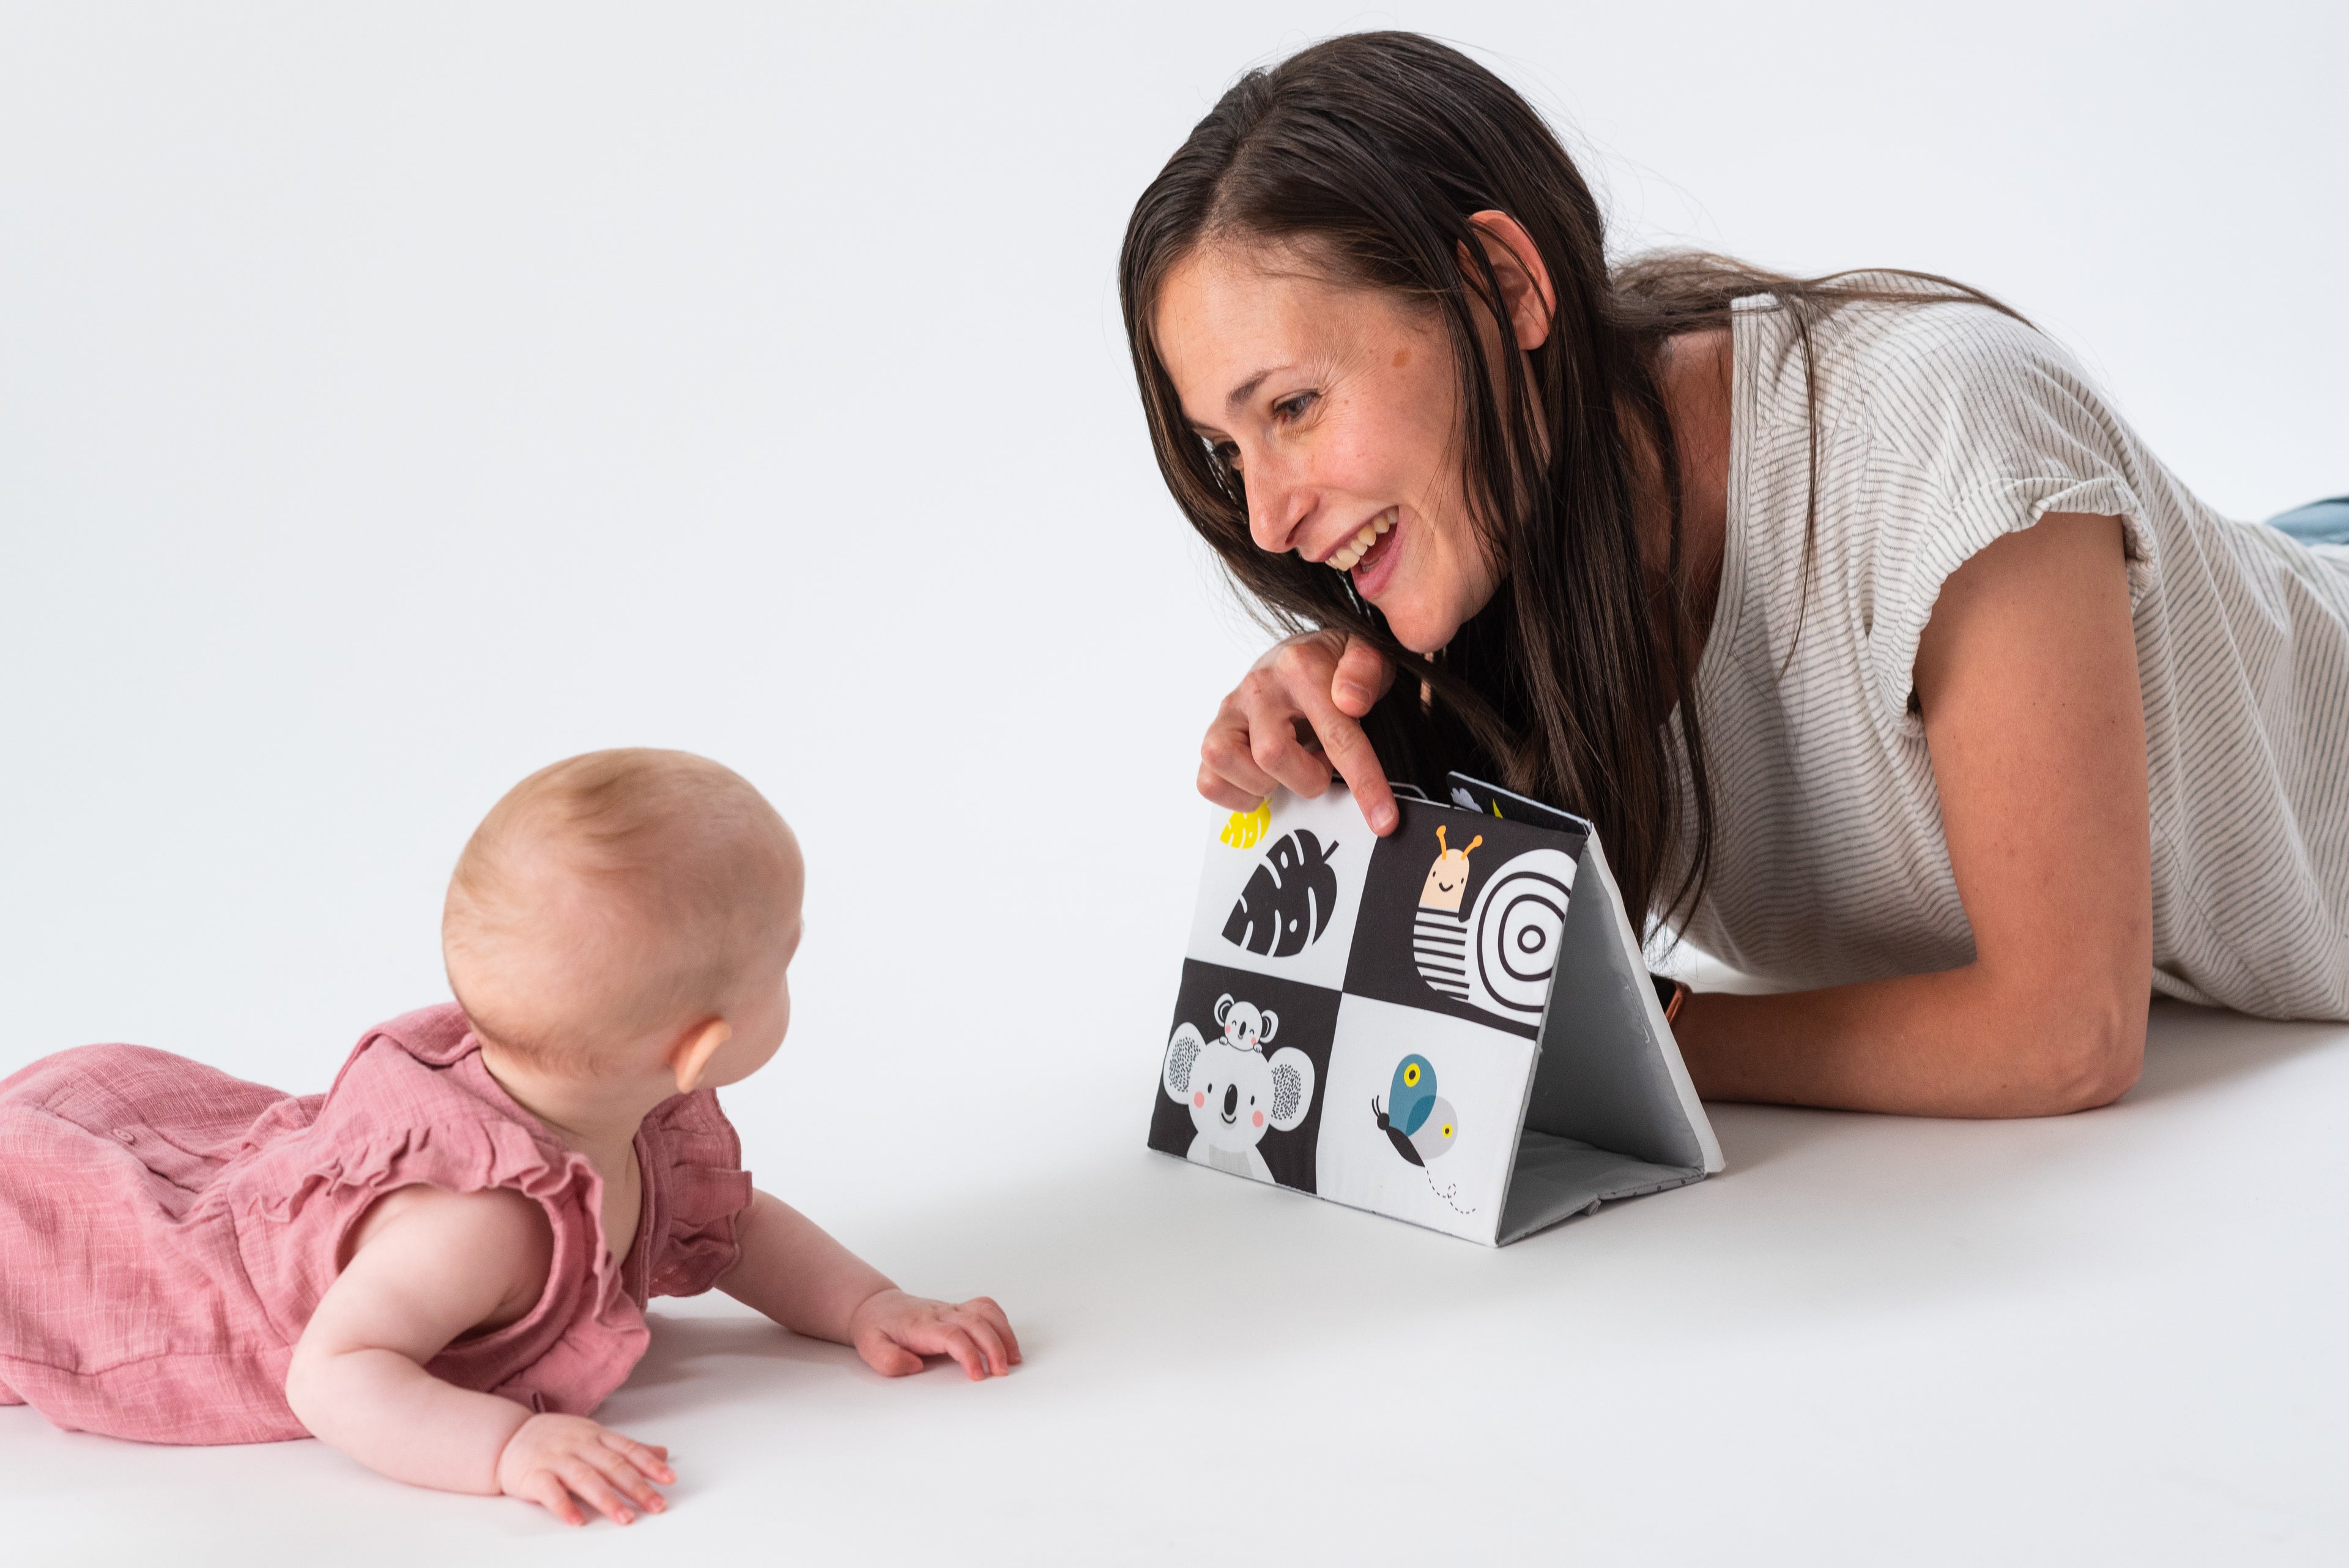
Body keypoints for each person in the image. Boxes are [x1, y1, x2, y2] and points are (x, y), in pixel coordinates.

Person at [1118, 32, 2349, 1119]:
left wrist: (1642, 1036)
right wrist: (1345, 763)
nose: (1271, 521)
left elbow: (2065, 1032)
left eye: (1294, 404)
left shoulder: (1940, 435)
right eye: (1230, 451)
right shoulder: (1505, 575)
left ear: (1503, 287)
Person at [0, 749, 1019, 1526]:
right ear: (699, 1049)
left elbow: (737, 1230)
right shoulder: (480, 1223)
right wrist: (504, 1451)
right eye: (784, 959)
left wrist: (867, 1305)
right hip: (127, 1271)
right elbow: (335, 1373)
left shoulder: (633, 1126)